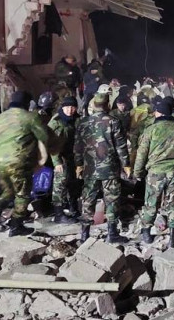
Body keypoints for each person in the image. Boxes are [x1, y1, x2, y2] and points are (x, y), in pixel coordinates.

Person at [133, 98, 174, 248]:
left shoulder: (150, 130)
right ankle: (173, 237)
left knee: (151, 203)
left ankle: (146, 234)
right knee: (173, 204)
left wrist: (138, 172)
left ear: (159, 113)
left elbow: (141, 153)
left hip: (155, 173)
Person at [0, 91, 50, 236]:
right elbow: (44, 136)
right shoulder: (29, 117)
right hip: (18, 160)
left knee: (10, 189)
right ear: (27, 103)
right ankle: (16, 225)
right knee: (23, 193)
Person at [74, 92, 131, 243]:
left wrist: (78, 164)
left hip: (90, 169)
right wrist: (126, 165)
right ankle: (112, 234)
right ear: (107, 105)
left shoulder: (83, 122)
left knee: (88, 199)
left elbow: (78, 147)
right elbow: (121, 146)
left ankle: (84, 235)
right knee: (112, 200)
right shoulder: (114, 121)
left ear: (93, 105)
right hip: (109, 169)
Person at [47, 97, 80, 223]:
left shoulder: (77, 119)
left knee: (73, 183)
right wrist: (57, 162)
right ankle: (59, 214)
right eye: (67, 107)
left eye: (73, 107)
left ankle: (73, 208)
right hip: (59, 156)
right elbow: (51, 144)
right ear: (62, 107)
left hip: (73, 156)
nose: (70, 110)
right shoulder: (56, 122)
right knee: (60, 184)